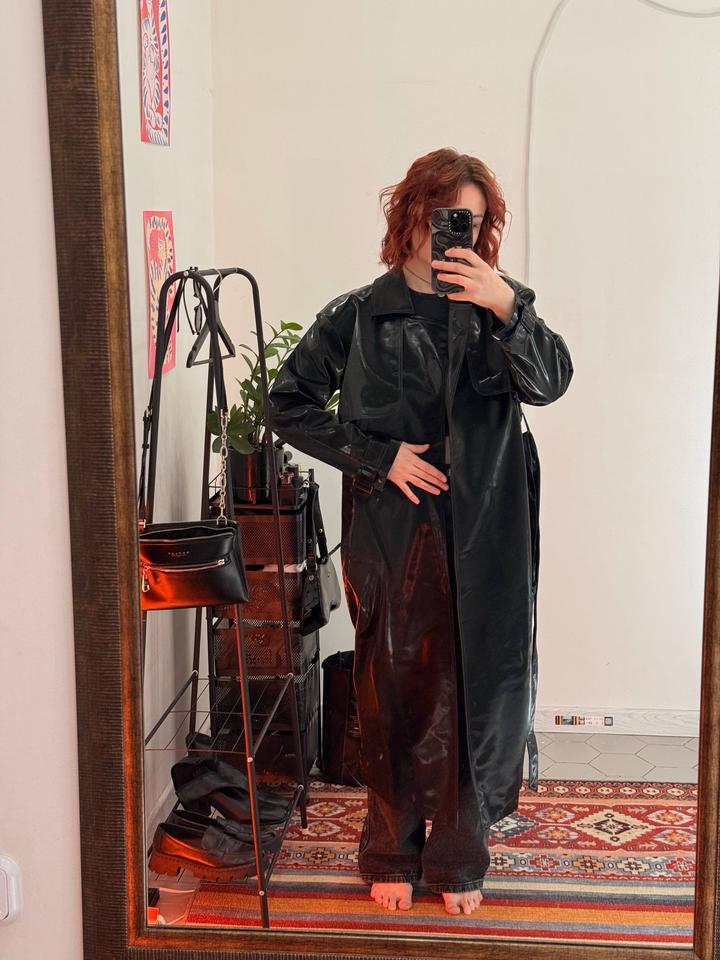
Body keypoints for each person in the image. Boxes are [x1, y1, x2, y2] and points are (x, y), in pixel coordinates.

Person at [268, 148, 573, 916]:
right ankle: (389, 851)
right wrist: (380, 456)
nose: (454, 233)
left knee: (480, 685)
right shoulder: (357, 316)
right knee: (391, 685)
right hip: (395, 528)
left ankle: (461, 857)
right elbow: (288, 404)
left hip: (490, 527)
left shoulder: (500, 306)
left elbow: (551, 383)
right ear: (409, 215)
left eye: (471, 220)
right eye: (444, 217)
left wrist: (507, 308)